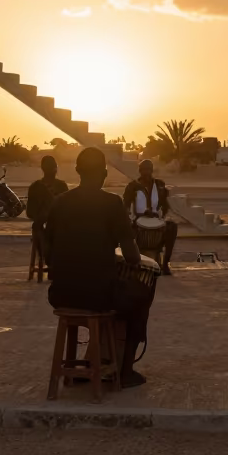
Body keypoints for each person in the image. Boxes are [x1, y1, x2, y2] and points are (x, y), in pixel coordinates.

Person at [44, 147, 152, 388]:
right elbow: (133, 258)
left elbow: (48, 254)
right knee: (141, 293)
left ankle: (94, 358)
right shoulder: (112, 203)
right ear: (104, 173)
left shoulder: (59, 203)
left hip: (59, 294)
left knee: (115, 293)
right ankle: (123, 370)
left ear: (78, 171)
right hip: (98, 295)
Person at [122, 159, 178, 275]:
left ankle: (165, 264)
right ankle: (132, 262)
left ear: (152, 170)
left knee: (172, 227)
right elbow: (126, 205)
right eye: (143, 170)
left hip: (156, 219)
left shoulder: (159, 185)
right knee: (126, 231)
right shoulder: (132, 187)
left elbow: (165, 205)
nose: (146, 173)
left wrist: (160, 216)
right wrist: (129, 218)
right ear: (140, 171)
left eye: (148, 170)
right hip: (138, 221)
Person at [26, 155, 68, 237]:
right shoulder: (62, 186)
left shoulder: (35, 186)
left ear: (42, 169)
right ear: (55, 169)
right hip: (59, 230)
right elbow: (68, 210)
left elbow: (30, 213)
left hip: (41, 229)